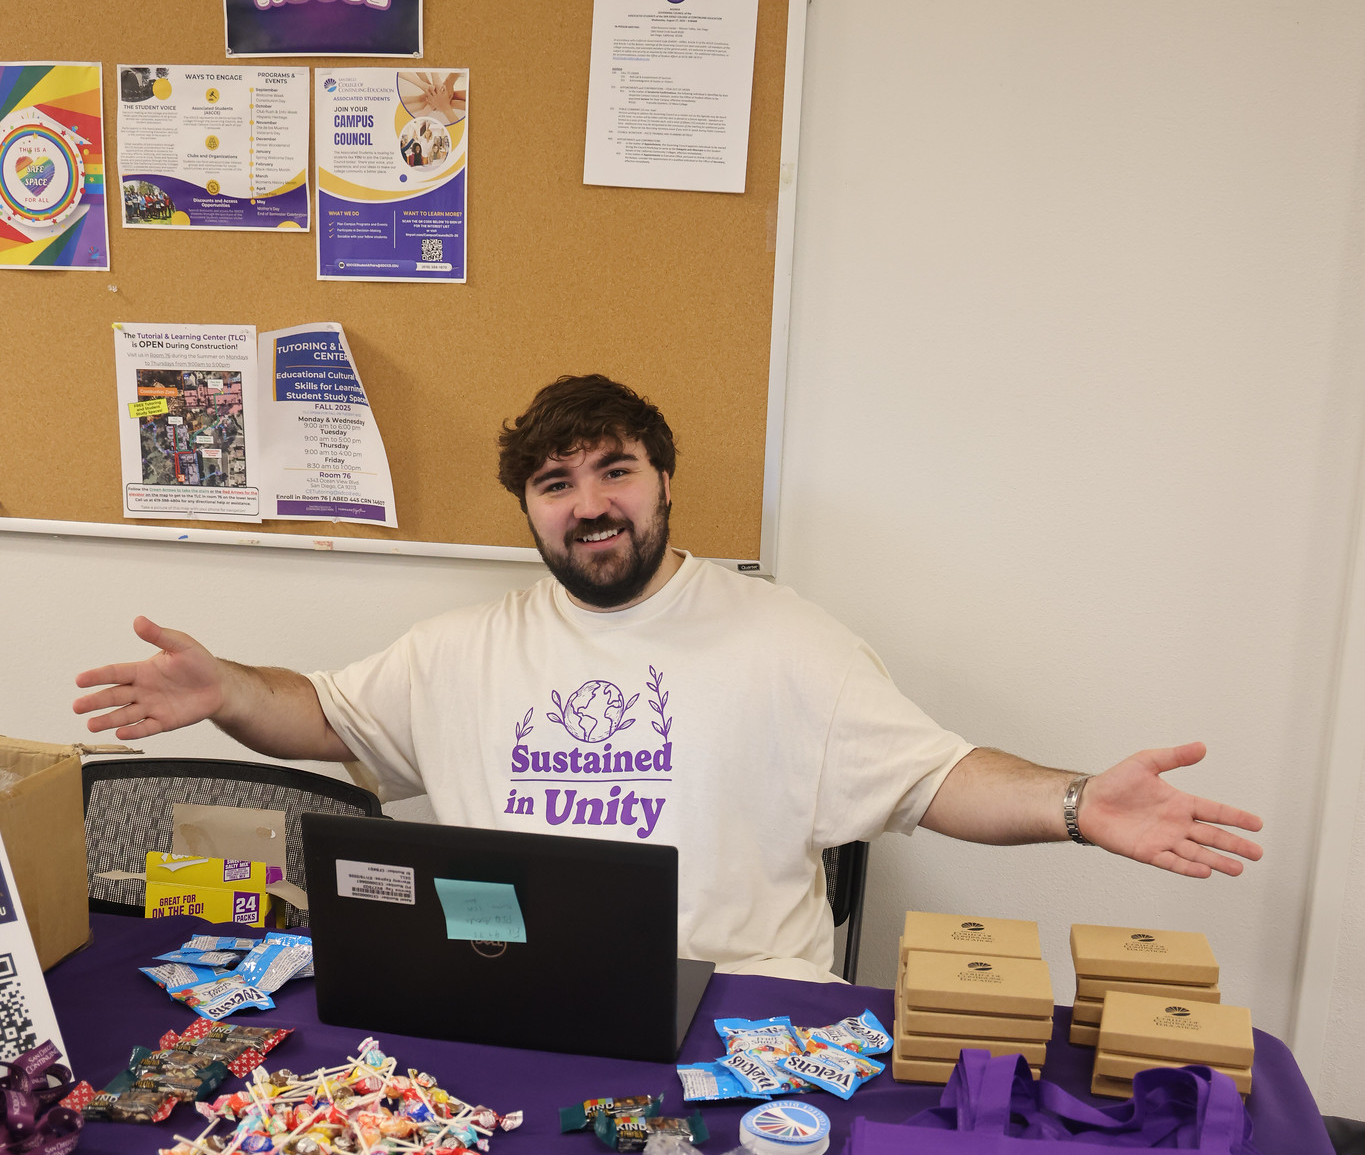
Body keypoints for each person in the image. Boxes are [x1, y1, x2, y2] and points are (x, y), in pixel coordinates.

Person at [73, 374, 1263, 981]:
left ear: (661, 480)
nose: (590, 501)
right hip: (512, 1001)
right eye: (555, 483)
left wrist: (1076, 805)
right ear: (530, 512)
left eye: (614, 469)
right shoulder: (461, 649)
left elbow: (937, 779)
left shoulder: (786, 639)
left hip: (735, 1013)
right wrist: (226, 689)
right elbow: (324, 713)